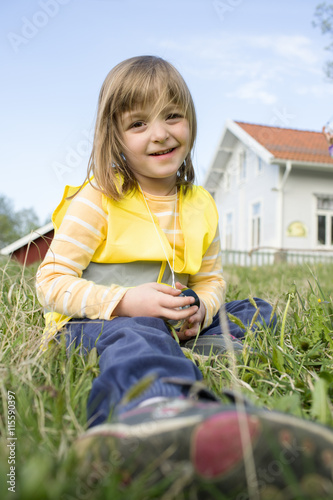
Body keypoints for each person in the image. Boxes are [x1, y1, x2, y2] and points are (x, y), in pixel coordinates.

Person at [36, 56, 333, 498]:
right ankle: (153, 407)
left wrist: (201, 309)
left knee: (256, 310)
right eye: (138, 124)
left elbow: (212, 281)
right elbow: (50, 281)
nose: (160, 133)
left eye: (172, 115)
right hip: (93, 326)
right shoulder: (97, 199)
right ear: (113, 136)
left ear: (189, 120)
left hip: (171, 325)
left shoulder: (201, 204)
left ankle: (181, 348)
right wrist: (124, 302)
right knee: (138, 329)